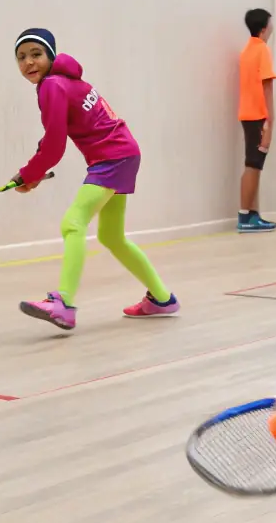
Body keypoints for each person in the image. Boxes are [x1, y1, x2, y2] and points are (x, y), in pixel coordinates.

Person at [13, 29, 178, 330]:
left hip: (112, 157)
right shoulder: (65, 80)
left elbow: (54, 146)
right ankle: (162, 298)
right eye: (21, 57)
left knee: (72, 223)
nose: (29, 62)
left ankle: (63, 303)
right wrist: (33, 172)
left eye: (36, 54)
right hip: (125, 152)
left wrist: (29, 174)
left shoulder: (51, 86)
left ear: (50, 55)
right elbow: (53, 137)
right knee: (112, 237)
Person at [237, 8, 276, 233]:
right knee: (253, 165)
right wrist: (270, 121)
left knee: (253, 164)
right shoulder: (261, 49)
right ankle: (245, 217)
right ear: (264, 28)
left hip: (247, 114)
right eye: (271, 24)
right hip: (257, 116)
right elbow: (267, 85)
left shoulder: (247, 51)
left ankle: (252, 215)